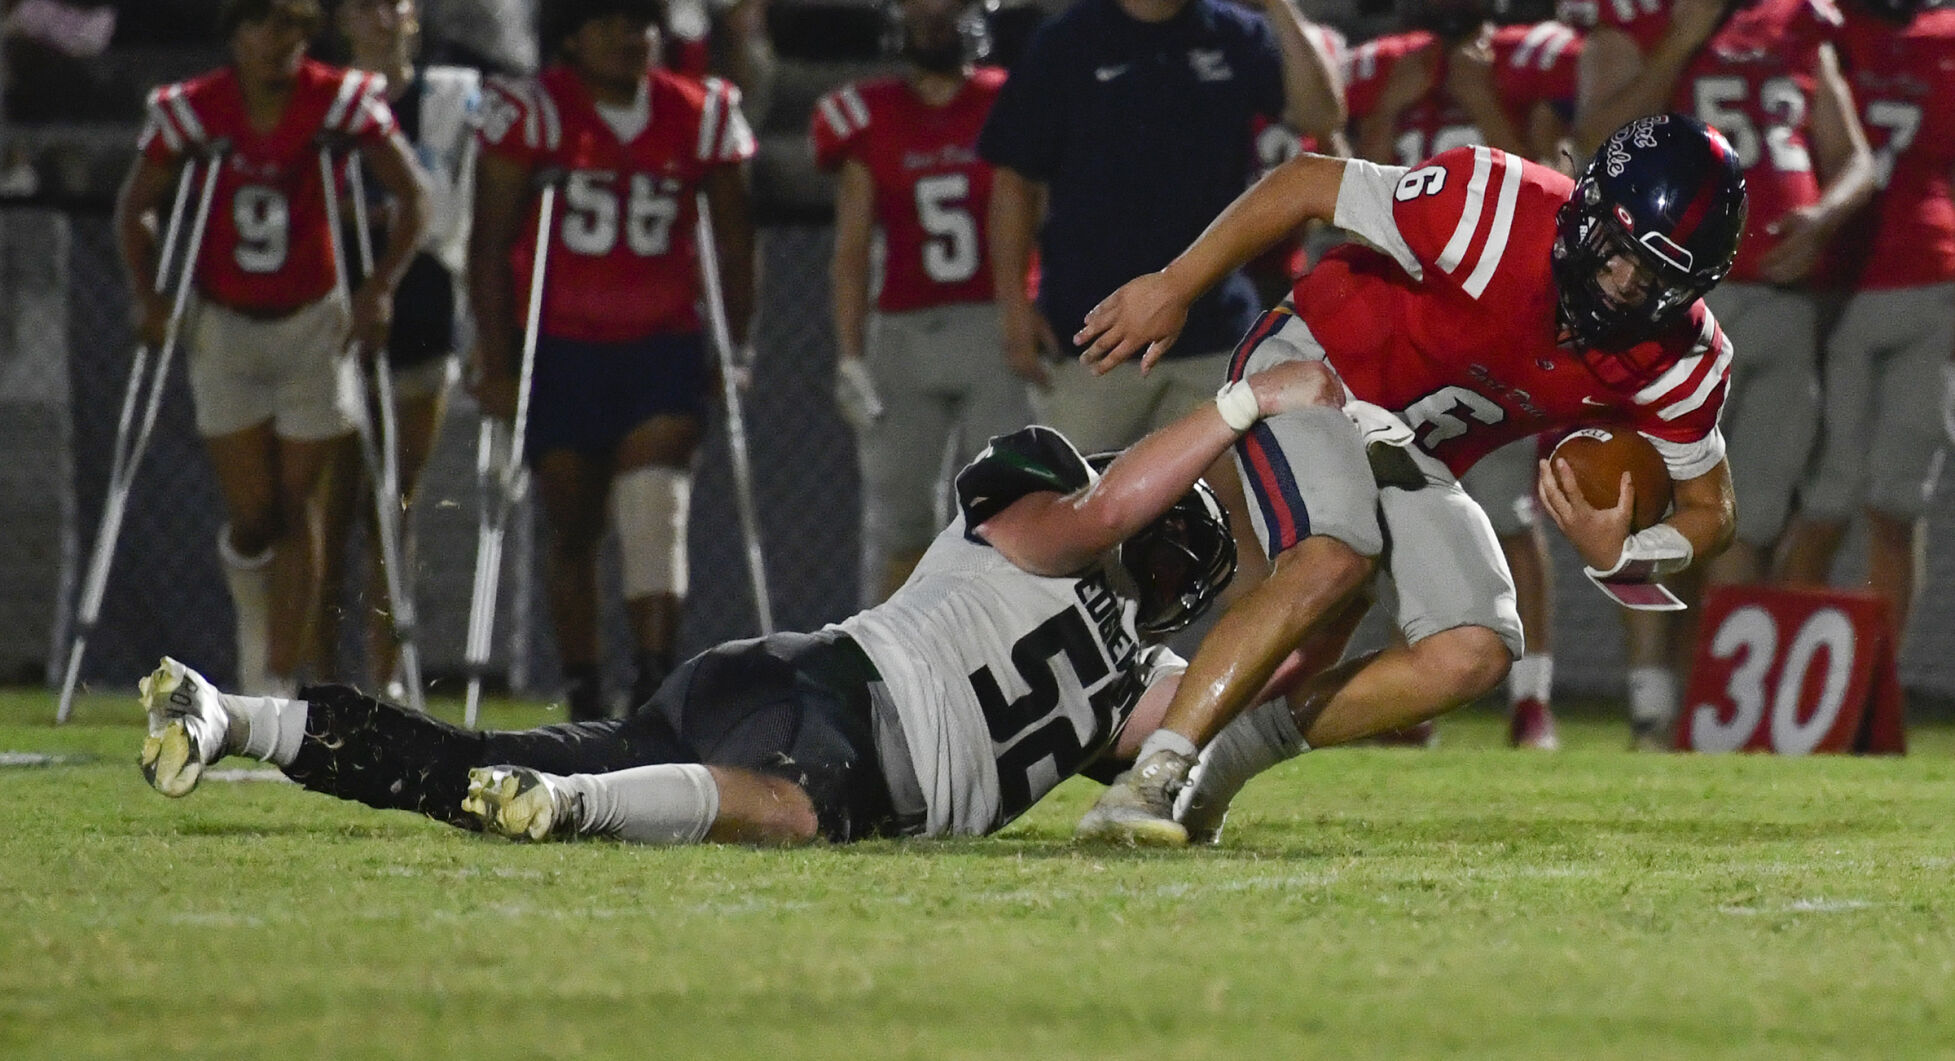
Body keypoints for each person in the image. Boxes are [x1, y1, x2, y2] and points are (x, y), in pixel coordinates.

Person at [134, 360, 1344, 846]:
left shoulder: (1134, 679)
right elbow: (1112, 526)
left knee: (469, 763)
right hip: (842, 721)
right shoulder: (1041, 529)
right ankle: (571, 804)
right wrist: (1245, 411)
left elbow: (1263, 678)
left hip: (775, 680)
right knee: (790, 814)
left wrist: (1326, 567)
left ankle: (229, 714)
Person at [1068, 115, 1746, 845]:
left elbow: (1713, 508)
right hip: (1310, 366)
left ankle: (1219, 768)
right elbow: (1304, 183)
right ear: (1585, 205)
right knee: (1332, 557)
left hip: (1407, 447)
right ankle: (1147, 781)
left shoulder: (1683, 355)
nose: (1620, 286)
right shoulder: (1489, 207)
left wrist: (1628, 555)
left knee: (1475, 647)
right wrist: (1175, 286)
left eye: (1655, 279)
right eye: (1615, 252)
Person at [1573, 0, 1874, 746]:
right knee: (1646, 496)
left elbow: (1855, 157)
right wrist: (1680, 42)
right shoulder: (1637, 18)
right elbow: (1592, 138)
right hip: (1672, 301)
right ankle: (1650, 703)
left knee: (1751, 517)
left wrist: (1824, 218)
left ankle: (1712, 714)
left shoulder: (1800, 18)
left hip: (1780, 299)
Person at [113, 0, 428, 696]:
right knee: (254, 514)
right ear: (233, 33)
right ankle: (258, 635)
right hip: (224, 322)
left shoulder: (339, 100)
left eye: (292, 24)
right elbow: (138, 201)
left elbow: (412, 194)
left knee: (297, 503)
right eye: (261, 23)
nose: (278, 40)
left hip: (314, 320)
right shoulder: (193, 108)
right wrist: (150, 293)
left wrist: (378, 289)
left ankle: (276, 674)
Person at [468, 0, 757, 721]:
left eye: (641, 21)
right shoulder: (534, 112)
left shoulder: (700, 109)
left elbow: (734, 241)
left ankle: (654, 683)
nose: (631, 37)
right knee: (572, 526)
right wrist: (498, 361)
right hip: (563, 343)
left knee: (655, 505)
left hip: (660, 340)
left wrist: (734, 343)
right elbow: (490, 245)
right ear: (571, 36)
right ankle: (585, 689)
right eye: (610, 22)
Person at [1343, 0, 1586, 748]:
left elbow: (1554, 200)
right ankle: (1410, 699)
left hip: (1493, 335)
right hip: (1404, 330)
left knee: (1511, 516)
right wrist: (1386, 110)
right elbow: (1358, 198)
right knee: (1394, 512)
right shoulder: (1391, 69)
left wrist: (1482, 101)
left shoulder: (1523, 66)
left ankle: (1531, 697)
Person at [977, 0, 1345, 462]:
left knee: (1229, 518)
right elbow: (1016, 180)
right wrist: (1014, 303)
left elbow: (1321, 117)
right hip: (1095, 333)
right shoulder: (1066, 41)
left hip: (1214, 326)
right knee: (1087, 514)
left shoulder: (1234, 33)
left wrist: (1279, 6)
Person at [812, 0, 1032, 605]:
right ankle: (886, 673)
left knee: (1008, 514)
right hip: (903, 332)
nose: (935, 17)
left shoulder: (1009, 98)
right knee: (903, 523)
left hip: (995, 324)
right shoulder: (867, 113)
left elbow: (1039, 213)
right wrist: (850, 354)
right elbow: (853, 248)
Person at [1776, 0, 1955, 646]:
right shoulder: (1818, 27)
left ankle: (1874, 687)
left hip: (1929, 282)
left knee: (1896, 506)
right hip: (1834, 286)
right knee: (1822, 505)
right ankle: (1784, 675)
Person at [315, 0, 479, 691]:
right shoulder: (323, 101)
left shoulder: (447, 101)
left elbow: (450, 213)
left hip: (420, 311)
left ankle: (383, 675)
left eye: (394, 6)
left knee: (395, 506)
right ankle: (316, 673)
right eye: (365, 7)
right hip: (332, 316)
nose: (382, 19)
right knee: (328, 505)